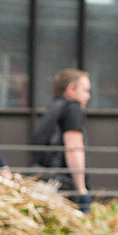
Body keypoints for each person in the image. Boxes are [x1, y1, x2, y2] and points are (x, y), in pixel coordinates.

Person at [32, 69, 92, 210]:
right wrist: (81, 189)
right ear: (71, 89)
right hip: (66, 184)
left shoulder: (54, 106)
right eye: (85, 91)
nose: (88, 96)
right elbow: (74, 147)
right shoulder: (72, 108)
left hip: (47, 181)